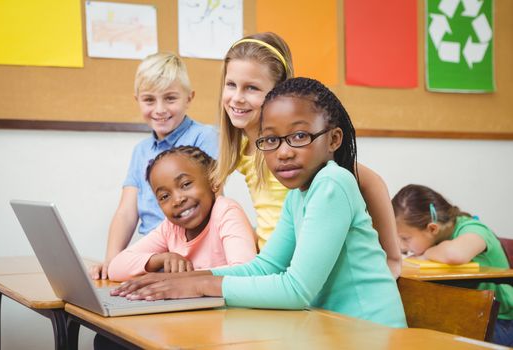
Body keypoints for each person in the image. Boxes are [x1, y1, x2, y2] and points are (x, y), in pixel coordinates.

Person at [111, 77, 407, 329]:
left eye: (299, 136)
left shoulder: (333, 183)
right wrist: (188, 280)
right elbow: (265, 266)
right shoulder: (299, 195)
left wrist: (199, 285)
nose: (284, 152)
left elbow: (296, 290)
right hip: (332, 330)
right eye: (270, 140)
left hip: (371, 333)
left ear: (333, 139)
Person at [213, 32, 401, 277]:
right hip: (273, 267)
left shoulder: (301, 149)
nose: (237, 98)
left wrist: (393, 257)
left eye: (251, 88)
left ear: (278, 93)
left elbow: (371, 182)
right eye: (231, 85)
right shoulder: (239, 148)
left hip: (307, 271)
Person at [91, 53, 218, 280]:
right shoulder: (141, 151)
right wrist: (111, 261)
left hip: (190, 257)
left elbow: (214, 204)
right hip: (152, 256)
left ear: (189, 98)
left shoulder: (204, 137)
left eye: (170, 98)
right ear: (137, 100)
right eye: (149, 100)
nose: (159, 109)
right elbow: (126, 212)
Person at [106, 146, 256, 281]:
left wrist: (179, 280)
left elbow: (246, 272)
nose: (177, 200)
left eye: (185, 184)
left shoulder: (226, 211)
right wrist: (159, 260)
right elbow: (115, 268)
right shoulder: (170, 229)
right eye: (164, 196)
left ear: (213, 181)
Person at [392, 184, 513, 346]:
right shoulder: (436, 239)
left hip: (501, 321)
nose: (401, 246)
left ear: (432, 228)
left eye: (405, 238)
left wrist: (425, 254)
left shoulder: (474, 229)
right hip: (466, 317)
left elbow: (455, 254)